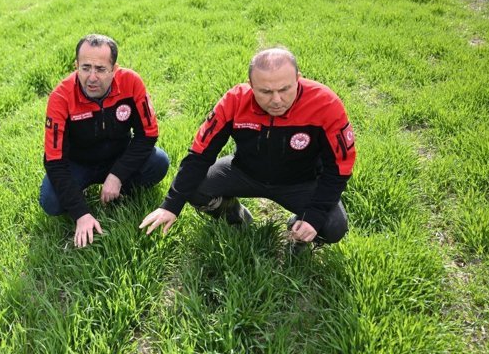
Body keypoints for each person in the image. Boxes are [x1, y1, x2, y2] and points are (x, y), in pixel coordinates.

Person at [139, 47, 356, 253]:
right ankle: (235, 216)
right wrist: (171, 206)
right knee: (194, 188)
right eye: (265, 91)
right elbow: (199, 155)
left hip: (302, 182)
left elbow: (339, 167)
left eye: (285, 89)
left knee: (333, 227)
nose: (276, 100)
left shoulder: (325, 104)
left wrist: (314, 216)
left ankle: (298, 228)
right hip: (246, 172)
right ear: (250, 84)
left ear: (298, 77)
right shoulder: (235, 101)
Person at [40, 34, 170, 248]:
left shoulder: (131, 82)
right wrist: (81, 213)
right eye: (85, 68)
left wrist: (117, 175)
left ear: (114, 69)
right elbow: (54, 161)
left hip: (118, 155)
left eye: (100, 69)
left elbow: (148, 134)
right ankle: (84, 194)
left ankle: (119, 192)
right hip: (78, 163)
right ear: (76, 66)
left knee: (159, 162)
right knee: (51, 201)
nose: (92, 77)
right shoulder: (60, 97)